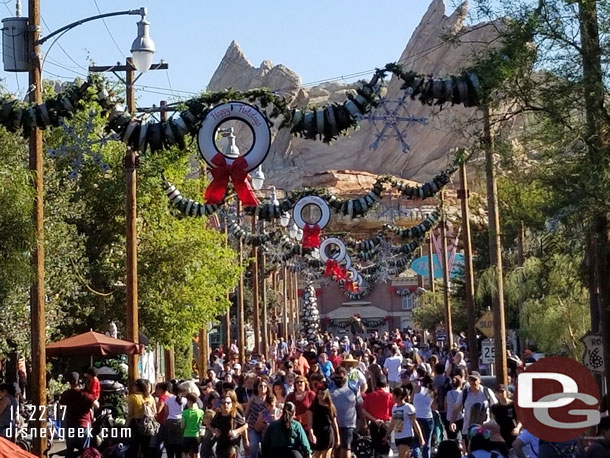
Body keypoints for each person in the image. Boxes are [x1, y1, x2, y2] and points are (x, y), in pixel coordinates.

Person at [450, 371, 498, 447]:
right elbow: (456, 408)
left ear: (479, 380)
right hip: (468, 430)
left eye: (474, 380)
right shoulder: (464, 393)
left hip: (485, 430)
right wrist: (452, 421)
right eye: (470, 380)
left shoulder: (486, 392)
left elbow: (496, 407)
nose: (472, 382)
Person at [59, 372, 96, 458]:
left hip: (71, 427)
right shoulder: (85, 395)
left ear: (69, 382)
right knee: (85, 453)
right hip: (84, 426)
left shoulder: (67, 394)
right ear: (79, 382)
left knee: (69, 452)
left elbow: (60, 404)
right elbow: (97, 405)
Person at [330, 367, 362, 458]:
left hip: (348, 423)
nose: (338, 380)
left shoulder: (352, 387)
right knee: (336, 447)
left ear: (346, 377)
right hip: (334, 423)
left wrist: (363, 422)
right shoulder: (330, 387)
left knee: (346, 447)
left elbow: (359, 406)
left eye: (341, 378)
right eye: (336, 378)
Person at [387, 386, 424, 458]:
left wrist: (421, 437)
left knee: (401, 456)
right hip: (398, 437)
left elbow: (415, 423)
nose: (392, 397)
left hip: (407, 436)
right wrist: (387, 435)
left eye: (394, 395)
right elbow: (392, 423)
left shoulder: (408, 407)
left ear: (399, 396)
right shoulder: (394, 407)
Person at [361, 375, 394, 456]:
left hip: (374, 424)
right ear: (386, 385)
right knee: (385, 447)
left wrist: (374, 419)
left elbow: (363, 410)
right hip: (386, 424)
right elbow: (394, 411)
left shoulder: (370, 395)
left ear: (376, 385)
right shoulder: (389, 396)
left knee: (376, 448)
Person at [211, 390, 248, 458]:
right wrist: (215, 431)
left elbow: (245, 425)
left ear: (232, 404)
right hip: (221, 444)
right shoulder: (218, 415)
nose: (225, 405)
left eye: (228, 403)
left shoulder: (235, 414)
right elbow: (211, 425)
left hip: (232, 444)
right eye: (223, 403)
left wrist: (236, 431)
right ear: (220, 404)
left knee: (231, 452)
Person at [126, 378, 158, 458]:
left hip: (135, 423)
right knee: (145, 447)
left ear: (137, 387)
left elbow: (130, 413)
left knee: (134, 446)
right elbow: (155, 412)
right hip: (147, 424)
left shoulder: (133, 397)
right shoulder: (150, 397)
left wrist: (126, 425)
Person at [307, 386, 340, 458]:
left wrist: (338, 438)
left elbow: (335, 424)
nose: (320, 395)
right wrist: (311, 433)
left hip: (328, 433)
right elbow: (310, 423)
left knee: (326, 455)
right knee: (317, 455)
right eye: (318, 393)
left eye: (322, 393)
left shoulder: (330, 407)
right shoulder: (313, 407)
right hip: (317, 433)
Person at [245, 378, 269, 458]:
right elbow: (247, 413)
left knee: (265, 448)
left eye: (265, 386)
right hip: (252, 426)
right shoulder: (252, 398)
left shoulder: (269, 400)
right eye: (260, 386)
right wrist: (244, 424)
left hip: (265, 428)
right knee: (254, 446)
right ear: (257, 387)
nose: (263, 387)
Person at [412, 377, 436, 458]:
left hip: (417, 418)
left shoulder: (416, 389)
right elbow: (433, 407)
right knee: (427, 442)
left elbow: (411, 400)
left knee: (416, 439)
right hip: (428, 418)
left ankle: (416, 455)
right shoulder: (431, 393)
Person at [165, 382, 186, 458]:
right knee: (179, 444)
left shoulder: (168, 399)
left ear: (172, 390)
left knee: (169, 444)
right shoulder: (185, 400)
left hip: (170, 421)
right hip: (180, 422)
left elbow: (166, 412)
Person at [181, 393, 204, 458]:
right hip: (196, 436)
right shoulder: (201, 412)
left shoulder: (185, 412)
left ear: (190, 401)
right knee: (196, 453)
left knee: (184, 453)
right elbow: (201, 424)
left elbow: (182, 426)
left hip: (187, 435)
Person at [445, 376, 464, 442]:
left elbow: (446, 405)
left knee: (451, 436)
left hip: (449, 417)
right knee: (463, 435)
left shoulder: (448, 393)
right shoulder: (462, 393)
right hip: (460, 416)